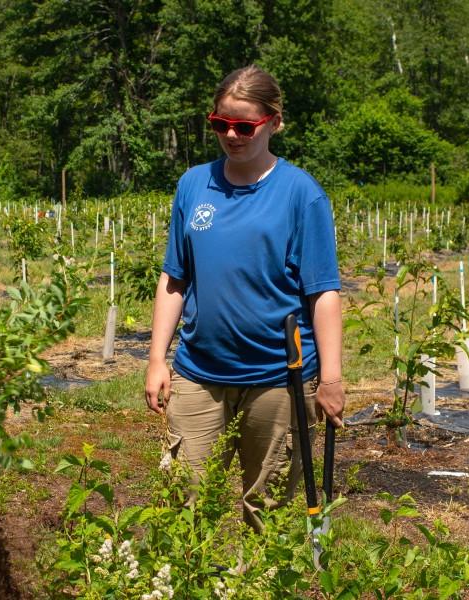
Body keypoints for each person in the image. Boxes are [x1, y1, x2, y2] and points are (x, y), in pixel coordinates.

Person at [144, 65, 344, 531]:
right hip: (199, 373)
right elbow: (174, 279)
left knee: (267, 503)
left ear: (273, 122)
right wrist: (157, 358)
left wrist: (331, 379)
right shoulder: (194, 185)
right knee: (186, 500)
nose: (231, 135)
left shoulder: (301, 194)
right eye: (221, 124)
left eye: (244, 126)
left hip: (278, 377)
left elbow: (323, 294)